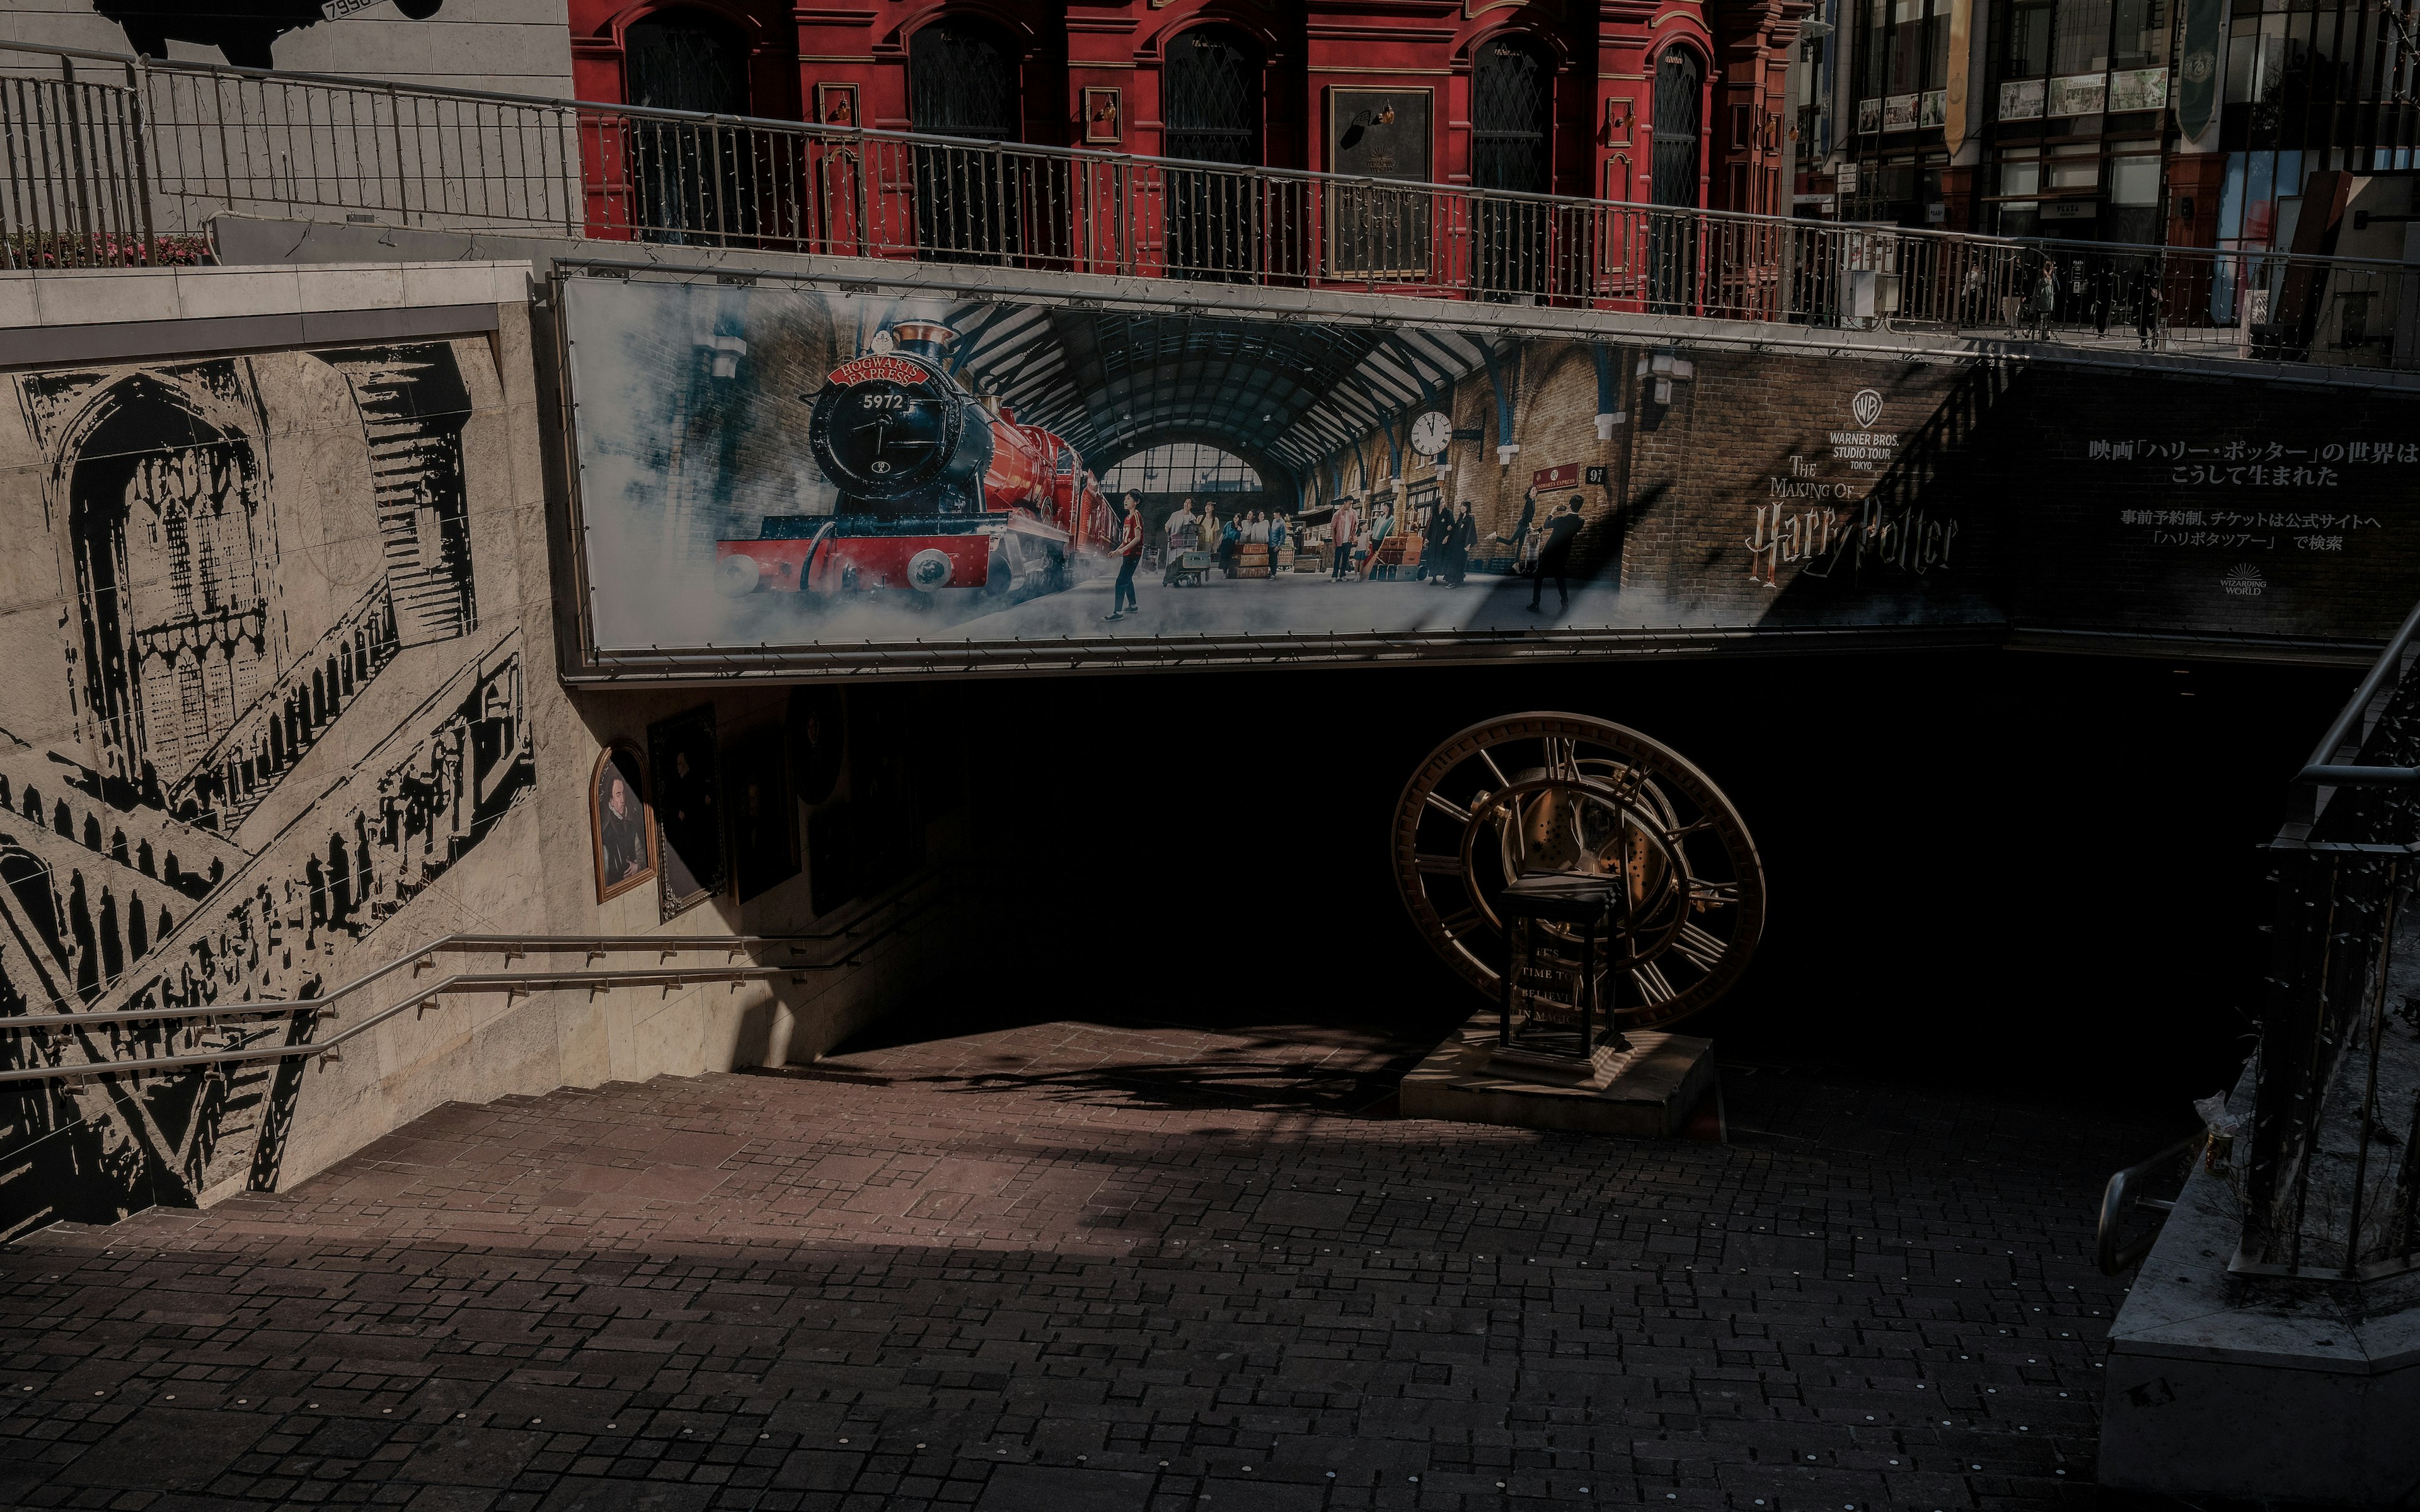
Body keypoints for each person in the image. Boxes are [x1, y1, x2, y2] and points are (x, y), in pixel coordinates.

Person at [1528, 496, 1585, 613]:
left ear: (1569, 506)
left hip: (1550, 552)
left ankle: (1536, 603)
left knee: (1539, 577)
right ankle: (1565, 603)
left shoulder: (1560, 520)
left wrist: (1551, 513)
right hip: (1564, 552)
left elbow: (1546, 525)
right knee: (1560, 578)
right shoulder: (1580, 522)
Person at [1104, 490, 1143, 621]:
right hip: (1128, 553)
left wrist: (1122, 550)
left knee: (1120, 582)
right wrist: (1118, 550)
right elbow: (1126, 540)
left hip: (1134, 554)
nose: (1125, 501)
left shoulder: (1136, 516)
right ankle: (1133, 606)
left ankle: (1118, 613)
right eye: (1125, 498)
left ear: (1136, 502)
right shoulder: (1127, 518)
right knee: (1127, 579)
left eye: (1129, 499)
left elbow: (1137, 538)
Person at [1495, 484, 1538, 570]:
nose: (1535, 491)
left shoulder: (1533, 502)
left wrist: (1529, 526)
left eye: (1536, 490)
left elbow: (1531, 515)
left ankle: (1516, 564)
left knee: (1520, 545)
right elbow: (1526, 514)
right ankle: (1495, 537)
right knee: (1511, 541)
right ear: (1529, 493)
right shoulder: (1529, 501)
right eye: (1533, 490)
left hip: (1525, 526)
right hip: (1522, 525)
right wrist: (1530, 525)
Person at [1162, 496, 1201, 586]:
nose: (1186, 504)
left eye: (1189, 503)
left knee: (1184, 562)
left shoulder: (1193, 518)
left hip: (1188, 543)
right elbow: (1167, 526)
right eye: (1185, 502)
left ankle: (1184, 577)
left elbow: (1195, 530)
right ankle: (1171, 578)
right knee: (1172, 561)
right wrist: (1169, 537)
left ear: (1192, 506)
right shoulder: (1175, 515)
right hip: (1176, 542)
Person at [1443, 501, 1477, 587]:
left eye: (1464, 506)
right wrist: (1448, 535)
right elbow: (1455, 530)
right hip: (1454, 544)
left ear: (1468, 508)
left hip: (1462, 545)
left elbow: (1471, 531)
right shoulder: (1460, 519)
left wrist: (1468, 544)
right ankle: (1454, 580)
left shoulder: (1470, 518)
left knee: (1458, 563)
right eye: (1461, 506)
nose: (1462, 508)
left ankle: (1453, 582)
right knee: (1453, 562)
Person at [1424, 500, 1455, 585]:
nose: (1443, 504)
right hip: (1434, 540)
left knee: (1443, 557)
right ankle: (1434, 578)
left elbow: (1452, 525)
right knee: (1433, 558)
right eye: (1441, 503)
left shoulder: (1448, 513)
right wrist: (1428, 538)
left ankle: (1447, 577)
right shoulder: (1434, 513)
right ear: (1437, 504)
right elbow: (1430, 527)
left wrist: (1447, 536)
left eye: (1444, 502)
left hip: (1444, 540)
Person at [1329, 497, 1360, 581]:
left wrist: (1353, 535)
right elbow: (1333, 529)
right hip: (1339, 541)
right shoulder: (1337, 514)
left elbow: (1356, 524)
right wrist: (1334, 542)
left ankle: (1343, 574)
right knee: (1337, 559)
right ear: (1345, 503)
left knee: (1345, 559)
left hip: (1348, 541)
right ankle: (1334, 576)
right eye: (1349, 503)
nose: (1351, 505)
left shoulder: (1353, 513)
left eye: (1352, 504)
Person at [1366, 502, 1393, 580]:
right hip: (1375, 538)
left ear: (1388, 508)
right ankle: (1373, 573)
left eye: (1385, 506)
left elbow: (1390, 530)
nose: (1383, 508)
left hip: (1382, 539)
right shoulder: (1380, 517)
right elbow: (1375, 527)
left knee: (1380, 556)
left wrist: (1386, 537)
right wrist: (1371, 535)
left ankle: (1380, 573)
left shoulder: (1391, 518)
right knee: (1374, 556)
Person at [1218, 510, 1242, 577]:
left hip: (1232, 543)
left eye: (1237, 518)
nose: (1235, 519)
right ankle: (1225, 573)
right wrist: (1219, 541)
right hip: (1225, 541)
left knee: (1229, 558)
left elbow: (1237, 538)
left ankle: (1229, 572)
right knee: (1223, 558)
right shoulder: (1229, 524)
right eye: (1234, 517)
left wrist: (1235, 546)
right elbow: (1223, 532)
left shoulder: (1239, 528)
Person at [1267, 512, 1289, 578]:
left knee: (1274, 560)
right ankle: (1270, 572)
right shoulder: (1274, 521)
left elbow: (1283, 536)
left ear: (1279, 514)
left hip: (1275, 545)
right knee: (1270, 559)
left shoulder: (1282, 523)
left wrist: (1279, 546)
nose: (1273, 514)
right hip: (1270, 542)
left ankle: (1273, 574)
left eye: (1275, 513)